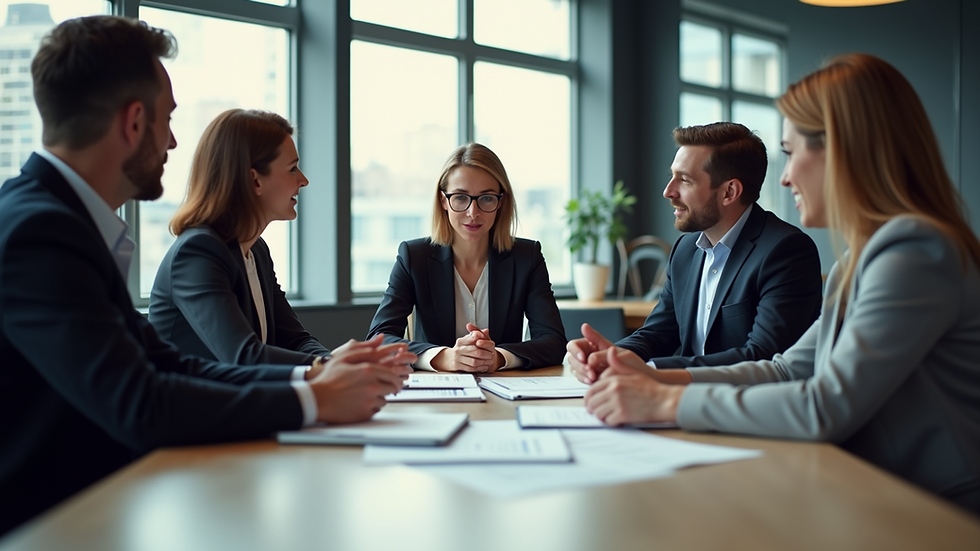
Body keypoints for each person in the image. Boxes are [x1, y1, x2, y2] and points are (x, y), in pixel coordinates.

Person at [0, 16, 412, 536]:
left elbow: (164, 363)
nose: (173, 142)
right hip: (54, 522)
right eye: (166, 119)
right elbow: (141, 402)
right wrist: (314, 397)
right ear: (133, 122)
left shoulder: (65, 222)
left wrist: (316, 377)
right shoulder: (41, 231)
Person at [584, 53, 980, 514]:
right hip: (876, 491)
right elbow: (785, 369)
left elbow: (824, 408)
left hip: (934, 512)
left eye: (792, 153)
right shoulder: (865, 256)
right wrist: (651, 375)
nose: (786, 176)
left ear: (844, 150)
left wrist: (664, 403)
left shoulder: (914, 252)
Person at [570, 122, 823, 382]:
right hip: (677, 404)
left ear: (729, 192)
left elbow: (764, 356)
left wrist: (651, 371)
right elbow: (658, 334)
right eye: (672, 176)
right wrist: (608, 356)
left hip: (748, 411)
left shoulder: (786, 251)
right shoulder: (685, 250)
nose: (668, 191)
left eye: (685, 180)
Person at [149, 109, 331, 365]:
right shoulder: (197, 252)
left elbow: (295, 340)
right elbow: (244, 356)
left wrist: (336, 362)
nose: (303, 180)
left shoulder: (256, 250)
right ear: (254, 180)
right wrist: (329, 367)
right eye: (292, 169)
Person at [367, 143, 566, 372]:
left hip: (506, 392)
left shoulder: (526, 258)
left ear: (500, 202)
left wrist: (498, 358)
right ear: (443, 201)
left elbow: (554, 342)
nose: (473, 212)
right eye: (460, 198)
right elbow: (378, 340)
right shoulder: (414, 257)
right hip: (435, 396)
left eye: (487, 198)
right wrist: (444, 357)